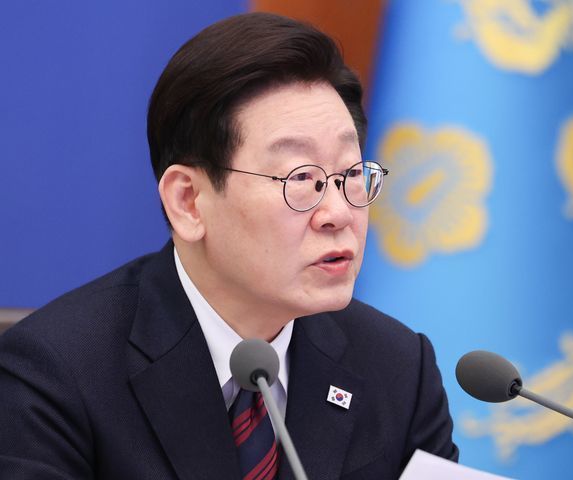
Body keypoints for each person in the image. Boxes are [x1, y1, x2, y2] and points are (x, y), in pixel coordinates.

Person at [0, 12, 458, 479]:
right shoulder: (55, 375)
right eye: (301, 178)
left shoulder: (398, 368)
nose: (339, 213)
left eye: (351, 174)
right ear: (188, 201)